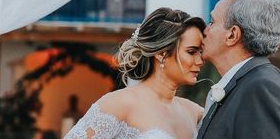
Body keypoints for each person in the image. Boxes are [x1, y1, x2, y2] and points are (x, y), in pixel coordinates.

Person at [65, 7, 206, 139]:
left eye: (201, 52)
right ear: (161, 53)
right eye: (191, 52)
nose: (200, 60)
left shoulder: (195, 113)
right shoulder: (119, 103)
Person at [197, 0, 280, 139]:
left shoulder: (260, 87)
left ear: (232, 35)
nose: (205, 30)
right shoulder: (251, 82)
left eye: (212, 22)